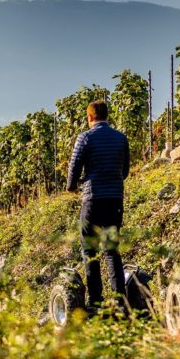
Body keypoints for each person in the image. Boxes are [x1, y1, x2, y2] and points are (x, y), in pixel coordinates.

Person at [67, 100, 130, 313]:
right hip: (115, 199)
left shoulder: (85, 137)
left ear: (90, 117)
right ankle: (119, 301)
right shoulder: (121, 138)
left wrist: (71, 187)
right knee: (112, 250)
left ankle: (95, 300)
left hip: (92, 198)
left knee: (90, 250)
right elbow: (126, 170)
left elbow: (74, 167)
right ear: (107, 116)